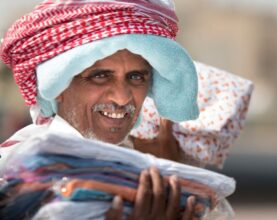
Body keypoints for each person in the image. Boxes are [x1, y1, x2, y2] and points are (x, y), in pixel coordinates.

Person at [0, 0, 200, 219]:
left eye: (136, 77)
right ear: (58, 87)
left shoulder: (154, 176)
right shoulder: (17, 173)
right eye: (100, 76)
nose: (123, 98)